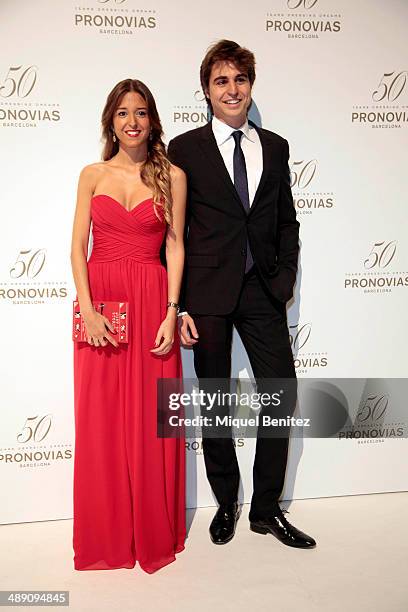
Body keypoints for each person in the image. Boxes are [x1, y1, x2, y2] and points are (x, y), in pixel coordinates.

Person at [168, 40, 316, 548]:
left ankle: (266, 509)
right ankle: (226, 502)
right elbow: (177, 232)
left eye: (240, 80)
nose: (232, 90)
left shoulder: (274, 146)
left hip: (262, 291)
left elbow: (286, 221)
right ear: (207, 91)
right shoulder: (184, 149)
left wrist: (284, 280)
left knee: (281, 393)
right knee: (215, 403)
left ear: (251, 86)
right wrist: (181, 303)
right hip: (207, 291)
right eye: (221, 81)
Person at [70, 79, 187, 573]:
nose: (132, 122)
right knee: (101, 420)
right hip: (102, 306)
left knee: (152, 422)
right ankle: (108, 533)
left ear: (152, 120)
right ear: (110, 121)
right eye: (122, 113)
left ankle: (153, 528)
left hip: (150, 303)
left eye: (141, 112)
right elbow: (77, 247)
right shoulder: (92, 174)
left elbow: (176, 246)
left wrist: (171, 310)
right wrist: (89, 308)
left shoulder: (172, 177)